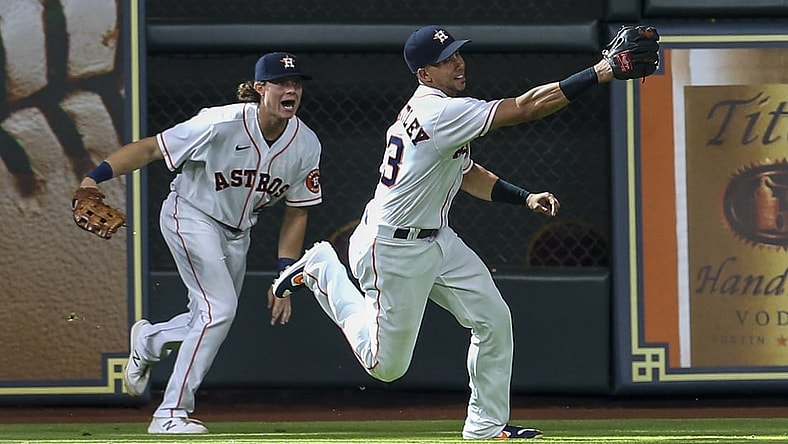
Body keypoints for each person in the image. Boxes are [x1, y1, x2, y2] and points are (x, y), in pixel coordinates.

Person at [272, 25, 655, 440]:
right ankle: (321, 268)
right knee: (385, 367)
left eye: (457, 54)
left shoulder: (440, 110)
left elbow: (466, 171)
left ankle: (485, 425)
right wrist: (601, 71)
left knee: (494, 319)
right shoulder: (438, 112)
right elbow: (526, 107)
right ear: (424, 75)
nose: (457, 63)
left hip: (436, 239)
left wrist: (523, 198)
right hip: (391, 248)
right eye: (445, 60)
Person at [74, 52, 322, 434]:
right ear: (260, 89)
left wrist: (283, 275)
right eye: (281, 82)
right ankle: (170, 412)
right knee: (219, 309)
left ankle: (150, 341)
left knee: (207, 317)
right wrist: (93, 179)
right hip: (189, 215)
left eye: (297, 83)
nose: (291, 89)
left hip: (238, 233)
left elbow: (297, 211)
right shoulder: (219, 122)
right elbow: (153, 148)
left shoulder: (305, 144)